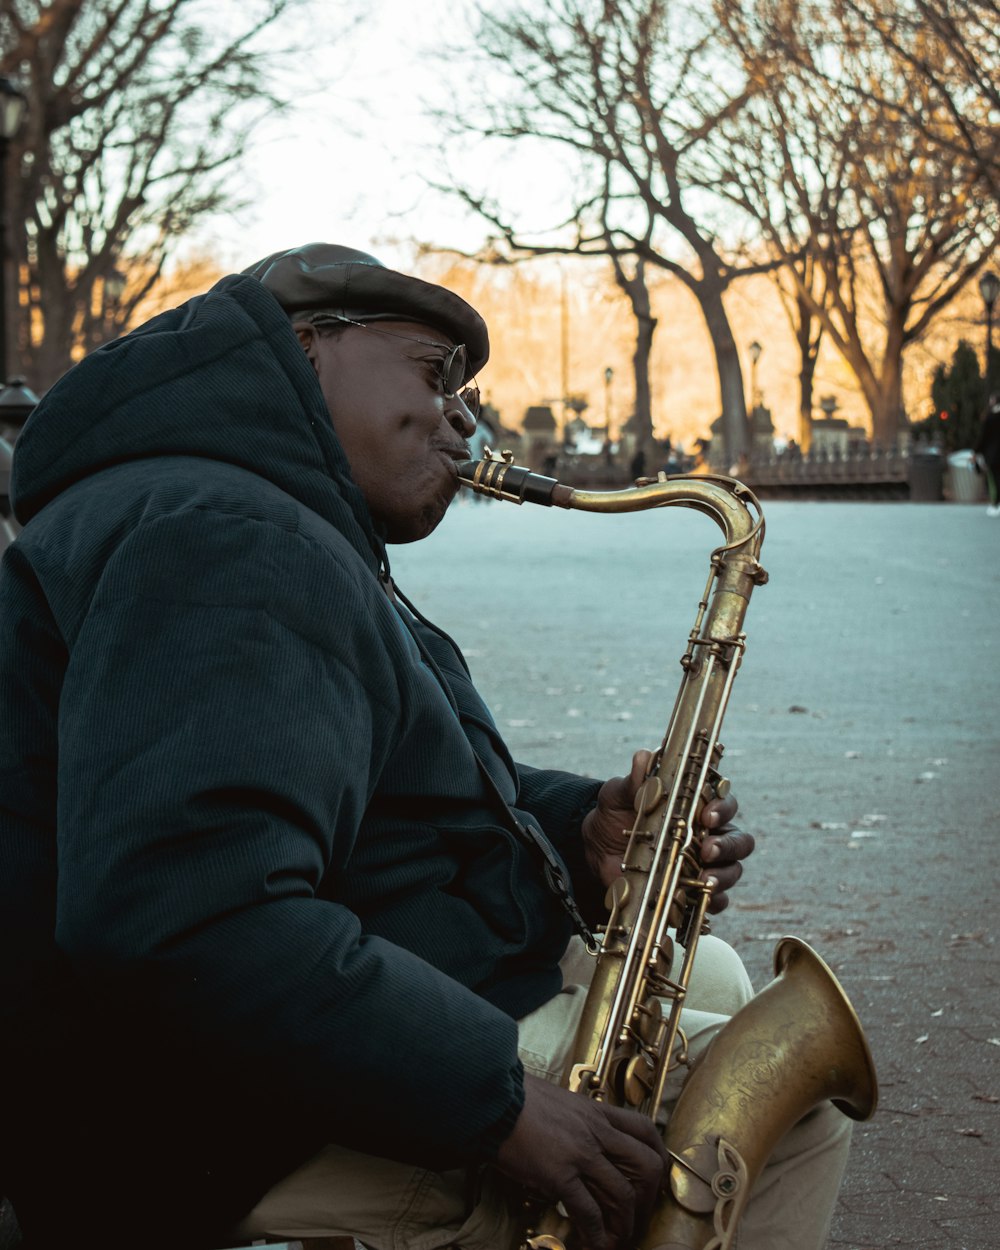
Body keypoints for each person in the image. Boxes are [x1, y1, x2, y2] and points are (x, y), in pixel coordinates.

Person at [0, 244, 850, 1250]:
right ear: (304, 349)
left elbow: (358, 794)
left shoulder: (251, 515)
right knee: (789, 1113)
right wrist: (496, 1104)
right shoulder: (226, 537)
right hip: (186, 1122)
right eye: (433, 372)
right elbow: (187, 911)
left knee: (704, 971)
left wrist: (583, 829)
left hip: (217, 1053)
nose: (462, 417)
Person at [974, 393, 1000, 515]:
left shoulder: (990, 418)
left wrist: (976, 451)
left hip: (993, 455)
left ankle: (996, 503)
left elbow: (984, 437)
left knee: (994, 479)